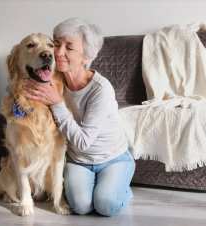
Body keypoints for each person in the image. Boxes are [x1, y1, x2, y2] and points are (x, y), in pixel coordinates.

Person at [23, 18, 135, 216]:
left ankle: (122, 190)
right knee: (81, 207)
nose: (58, 53)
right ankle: (100, 187)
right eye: (56, 44)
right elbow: (15, 85)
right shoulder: (52, 78)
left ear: (86, 56)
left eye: (69, 48)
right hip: (78, 160)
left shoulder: (101, 90)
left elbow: (83, 141)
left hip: (112, 158)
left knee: (106, 205)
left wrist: (57, 104)